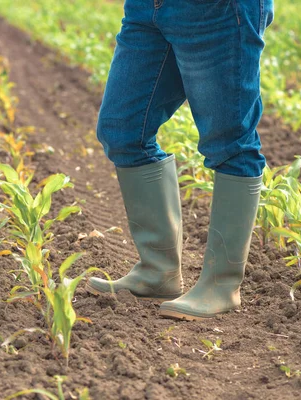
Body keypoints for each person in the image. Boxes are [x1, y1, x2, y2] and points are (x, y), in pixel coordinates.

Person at [86, 0, 274, 320]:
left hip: (217, 10)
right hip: (148, 8)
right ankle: (157, 272)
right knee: (123, 129)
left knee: (230, 143)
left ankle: (221, 285)